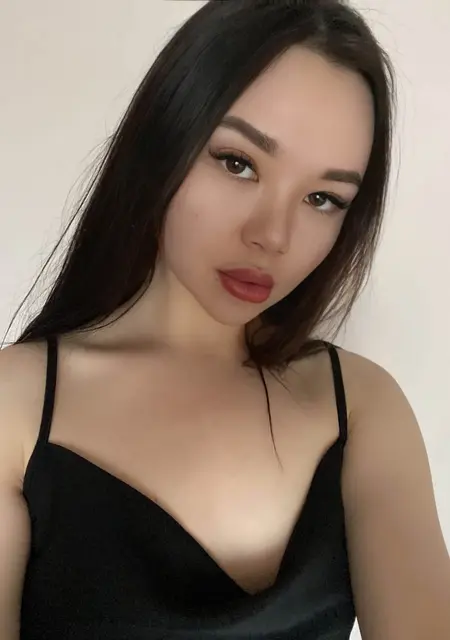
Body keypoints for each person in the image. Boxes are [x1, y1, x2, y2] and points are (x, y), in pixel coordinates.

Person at [1, 0, 449, 638]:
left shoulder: (362, 406)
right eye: (238, 163)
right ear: (164, 140)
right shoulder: (16, 406)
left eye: (323, 198)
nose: (273, 235)